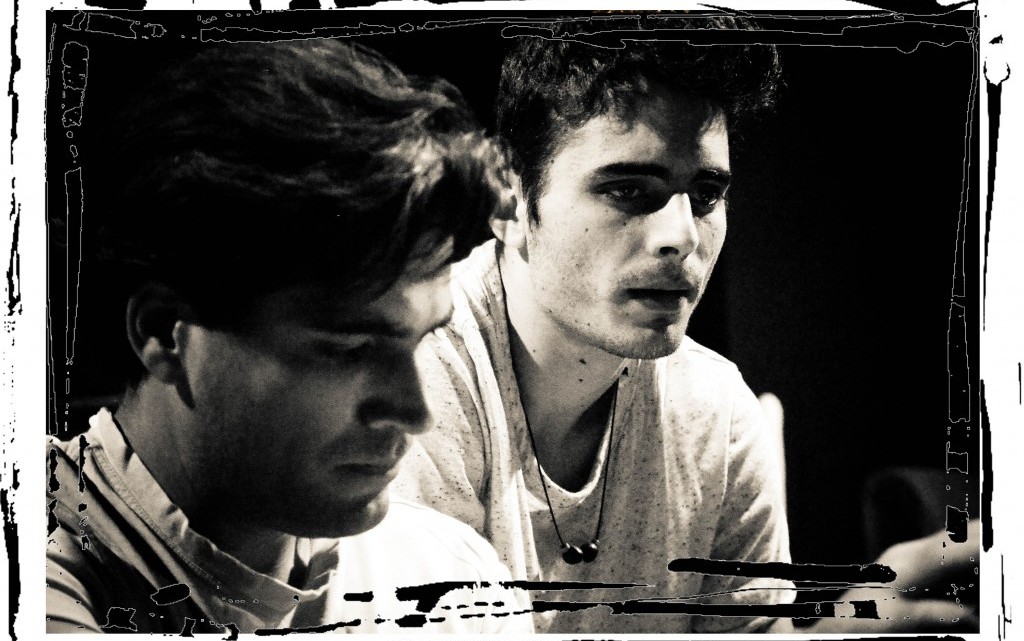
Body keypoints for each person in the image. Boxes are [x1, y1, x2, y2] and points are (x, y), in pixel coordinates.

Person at [391, 17, 978, 634]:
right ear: (509, 197)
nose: (681, 235)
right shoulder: (410, 378)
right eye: (627, 189)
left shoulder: (717, 416)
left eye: (705, 194)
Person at [45, 39, 531, 634]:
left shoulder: (454, 581)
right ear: (164, 334)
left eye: (420, 340)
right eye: (348, 348)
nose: (416, 411)